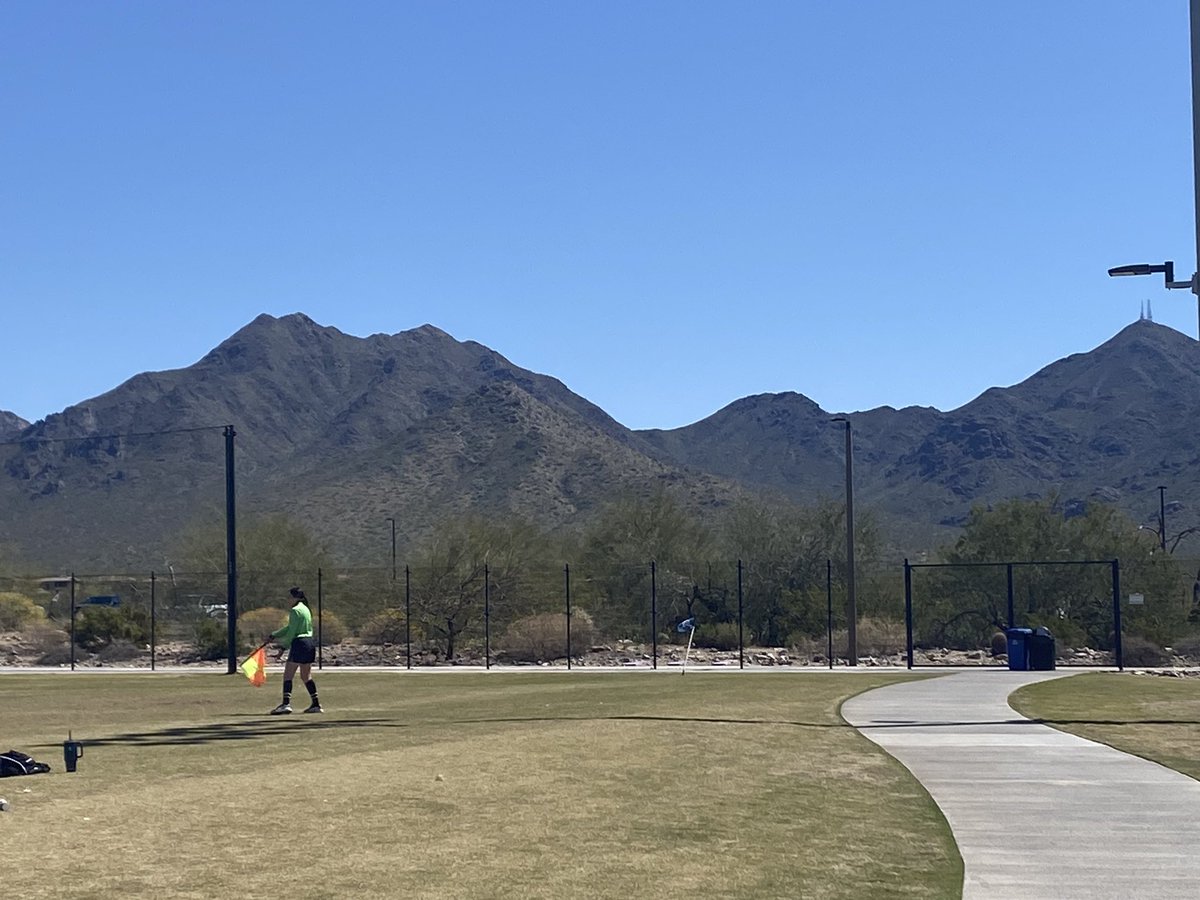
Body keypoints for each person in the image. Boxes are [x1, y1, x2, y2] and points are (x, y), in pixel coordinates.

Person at [268, 587, 322, 715]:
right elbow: (291, 627)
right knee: (306, 676)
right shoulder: (306, 609)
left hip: (299, 643)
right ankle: (316, 704)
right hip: (309, 643)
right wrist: (275, 634)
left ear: (294, 597)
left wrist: (283, 648)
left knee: (288, 675)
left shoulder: (294, 610)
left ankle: (286, 704)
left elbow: (292, 632)